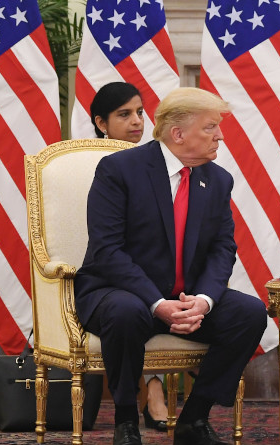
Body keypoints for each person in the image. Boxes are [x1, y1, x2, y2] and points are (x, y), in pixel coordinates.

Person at [75, 87, 268, 445]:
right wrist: (157, 303)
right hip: (120, 292)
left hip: (184, 296)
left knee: (250, 313)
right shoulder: (119, 169)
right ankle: (126, 422)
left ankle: (194, 419)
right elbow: (107, 250)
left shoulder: (218, 179)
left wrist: (205, 300)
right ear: (178, 134)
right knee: (126, 311)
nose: (220, 136)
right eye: (211, 127)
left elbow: (223, 248)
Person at [89, 81, 171, 432]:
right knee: (131, 303)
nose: (137, 121)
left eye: (140, 111)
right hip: (102, 272)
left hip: (150, 270)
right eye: (124, 114)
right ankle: (149, 394)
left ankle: (155, 390)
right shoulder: (86, 164)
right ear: (101, 123)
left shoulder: (162, 162)